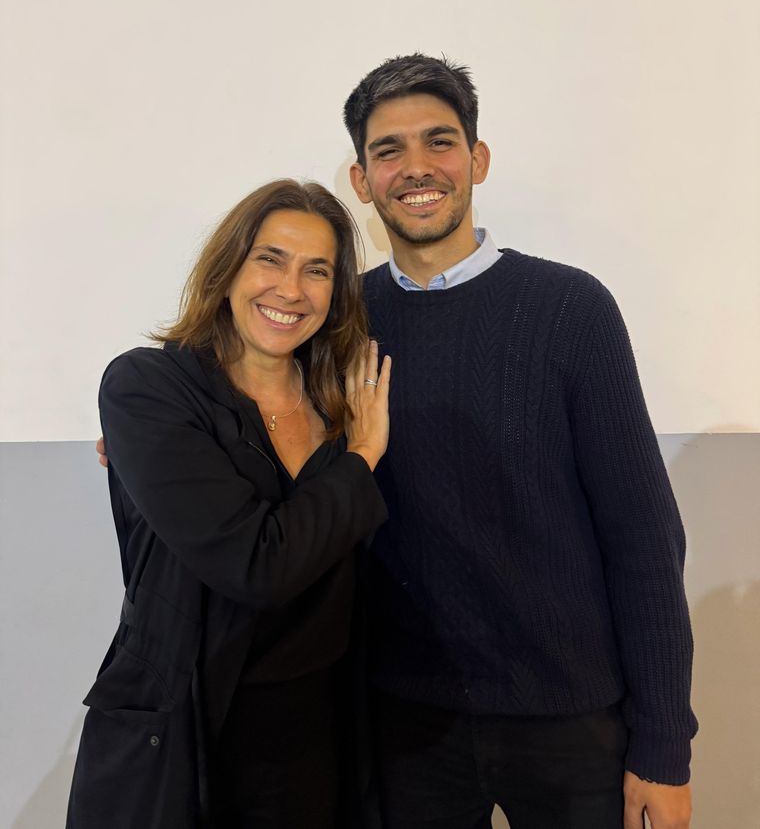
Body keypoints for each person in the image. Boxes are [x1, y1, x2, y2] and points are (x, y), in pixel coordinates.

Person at [343, 55, 697, 829]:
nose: (416, 168)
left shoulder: (572, 309)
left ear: (477, 160)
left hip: (571, 719)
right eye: (387, 151)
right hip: (407, 722)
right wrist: (152, 418)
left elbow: (643, 537)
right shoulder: (344, 321)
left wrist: (665, 746)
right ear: (361, 180)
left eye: (439, 142)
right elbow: (246, 377)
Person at [68, 179, 392, 829]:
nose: (290, 289)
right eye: (269, 258)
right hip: (191, 744)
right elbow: (257, 566)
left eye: (317, 270)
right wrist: (361, 458)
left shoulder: (341, 401)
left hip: (320, 741)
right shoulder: (150, 387)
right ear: (228, 267)